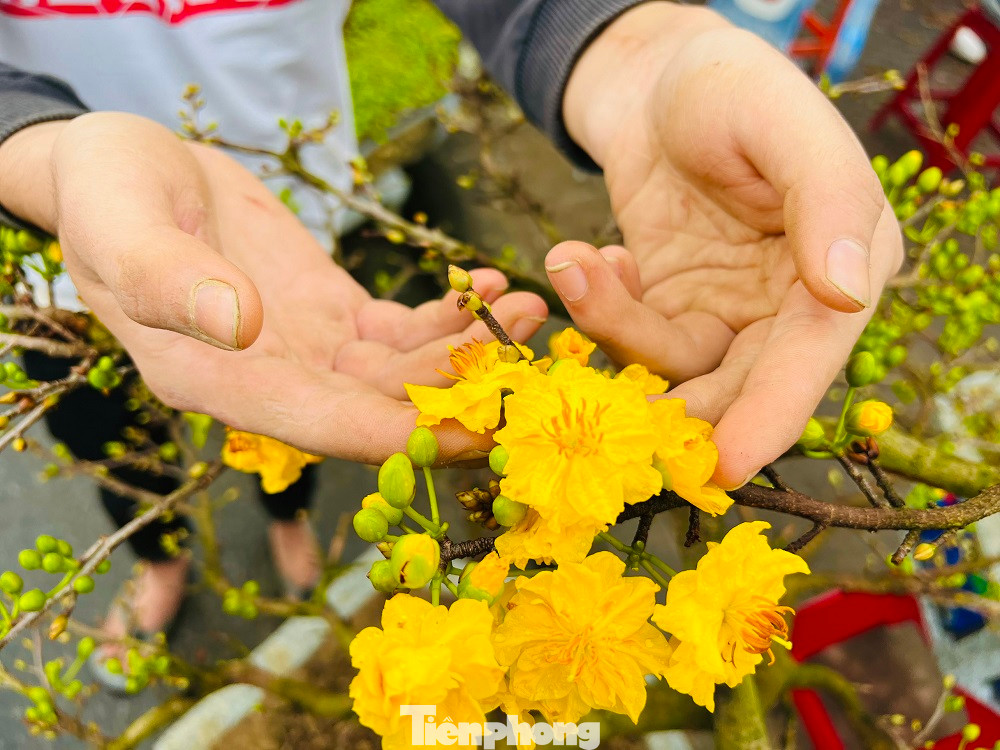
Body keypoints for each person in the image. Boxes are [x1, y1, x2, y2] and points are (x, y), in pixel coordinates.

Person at [0, 0, 902, 662]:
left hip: (292, 237)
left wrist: (640, 58)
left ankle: (285, 525)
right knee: (107, 446)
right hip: (43, 254)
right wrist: (41, 148)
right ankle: (156, 563)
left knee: (289, 429)